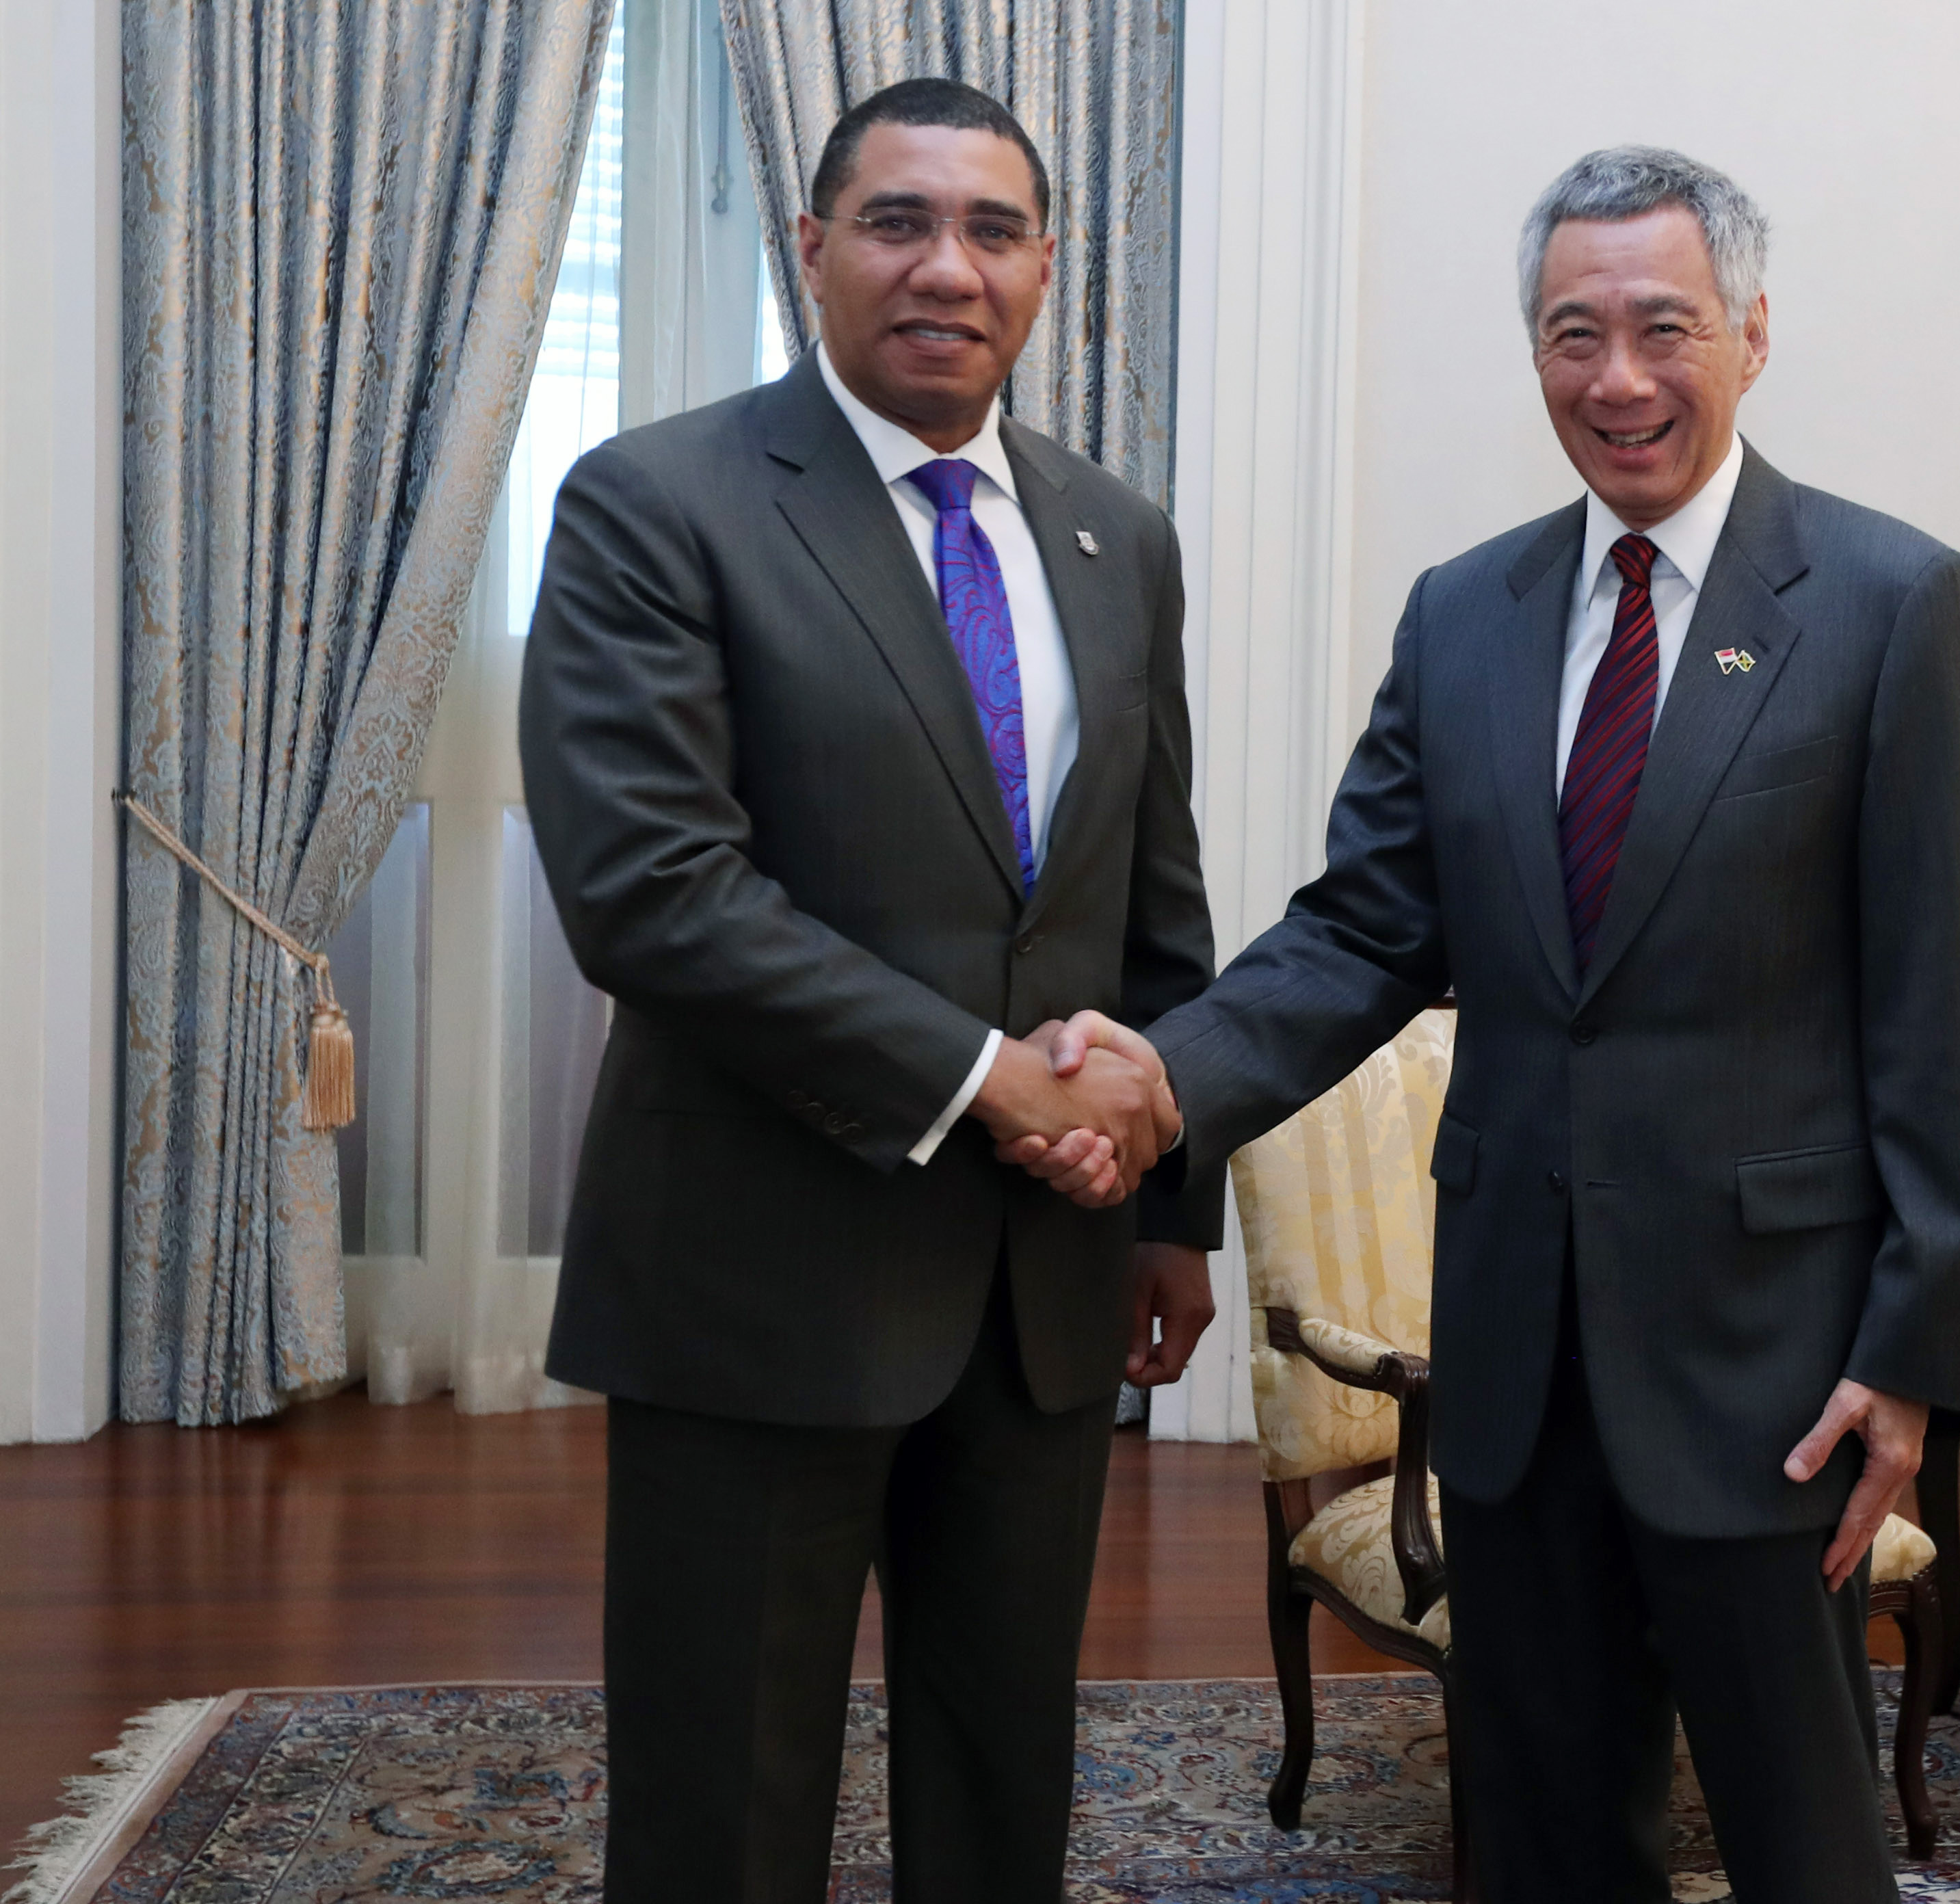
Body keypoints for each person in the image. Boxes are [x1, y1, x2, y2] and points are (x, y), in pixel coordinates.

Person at [1017, 146, 1960, 1901]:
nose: (1615, 378)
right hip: (1510, 1354)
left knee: (1803, 1841)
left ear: (1752, 335)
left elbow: (1938, 1012)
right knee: (1541, 1837)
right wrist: (1173, 1082)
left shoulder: (1889, 604)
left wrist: (1914, 1357)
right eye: (1573, 334)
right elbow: (1362, 931)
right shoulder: (1464, 613)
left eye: (1661, 327)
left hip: (1765, 1359)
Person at [518, 77, 1218, 1904]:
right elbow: (653, 895)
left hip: (1048, 1282)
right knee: (723, 1798)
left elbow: (1152, 898)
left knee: (1004, 1780)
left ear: (1047, 269)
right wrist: (990, 1081)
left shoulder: (1114, 537)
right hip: (757, 1271)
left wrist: (1170, 1210)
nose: (947, 268)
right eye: (899, 222)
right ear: (813, 247)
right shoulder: (655, 502)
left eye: (992, 230)